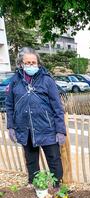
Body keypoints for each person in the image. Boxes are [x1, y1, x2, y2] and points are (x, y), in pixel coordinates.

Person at [6, 47, 66, 188]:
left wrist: (60, 130)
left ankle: (57, 186)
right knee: (31, 160)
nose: (31, 65)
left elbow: (57, 107)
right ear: (21, 64)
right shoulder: (15, 81)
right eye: (27, 63)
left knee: (54, 159)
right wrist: (11, 126)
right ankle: (34, 185)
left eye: (34, 62)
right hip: (25, 129)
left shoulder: (47, 80)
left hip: (47, 127)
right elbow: (9, 106)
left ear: (38, 63)